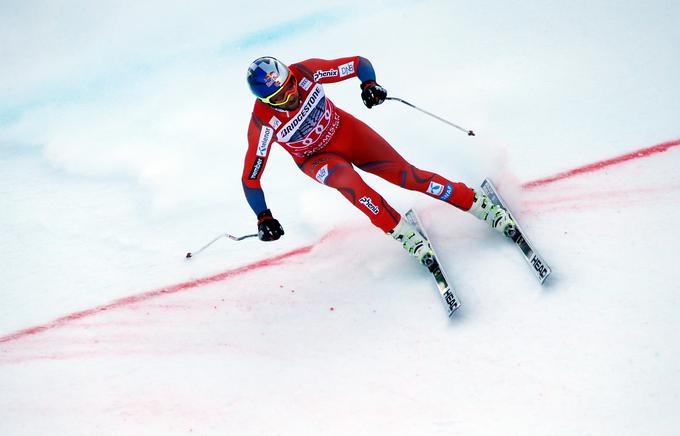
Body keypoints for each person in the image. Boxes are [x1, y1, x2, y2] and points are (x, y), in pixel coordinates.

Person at [242, 56, 516, 265]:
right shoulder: (263, 123)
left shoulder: (306, 72)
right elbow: (251, 178)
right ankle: (402, 234)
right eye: (280, 96)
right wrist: (263, 216)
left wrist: (369, 84)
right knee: (352, 184)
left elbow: (358, 63)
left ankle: (473, 201)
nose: (291, 95)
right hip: (317, 159)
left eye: (290, 85)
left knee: (407, 177)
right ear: (266, 101)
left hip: (345, 131)